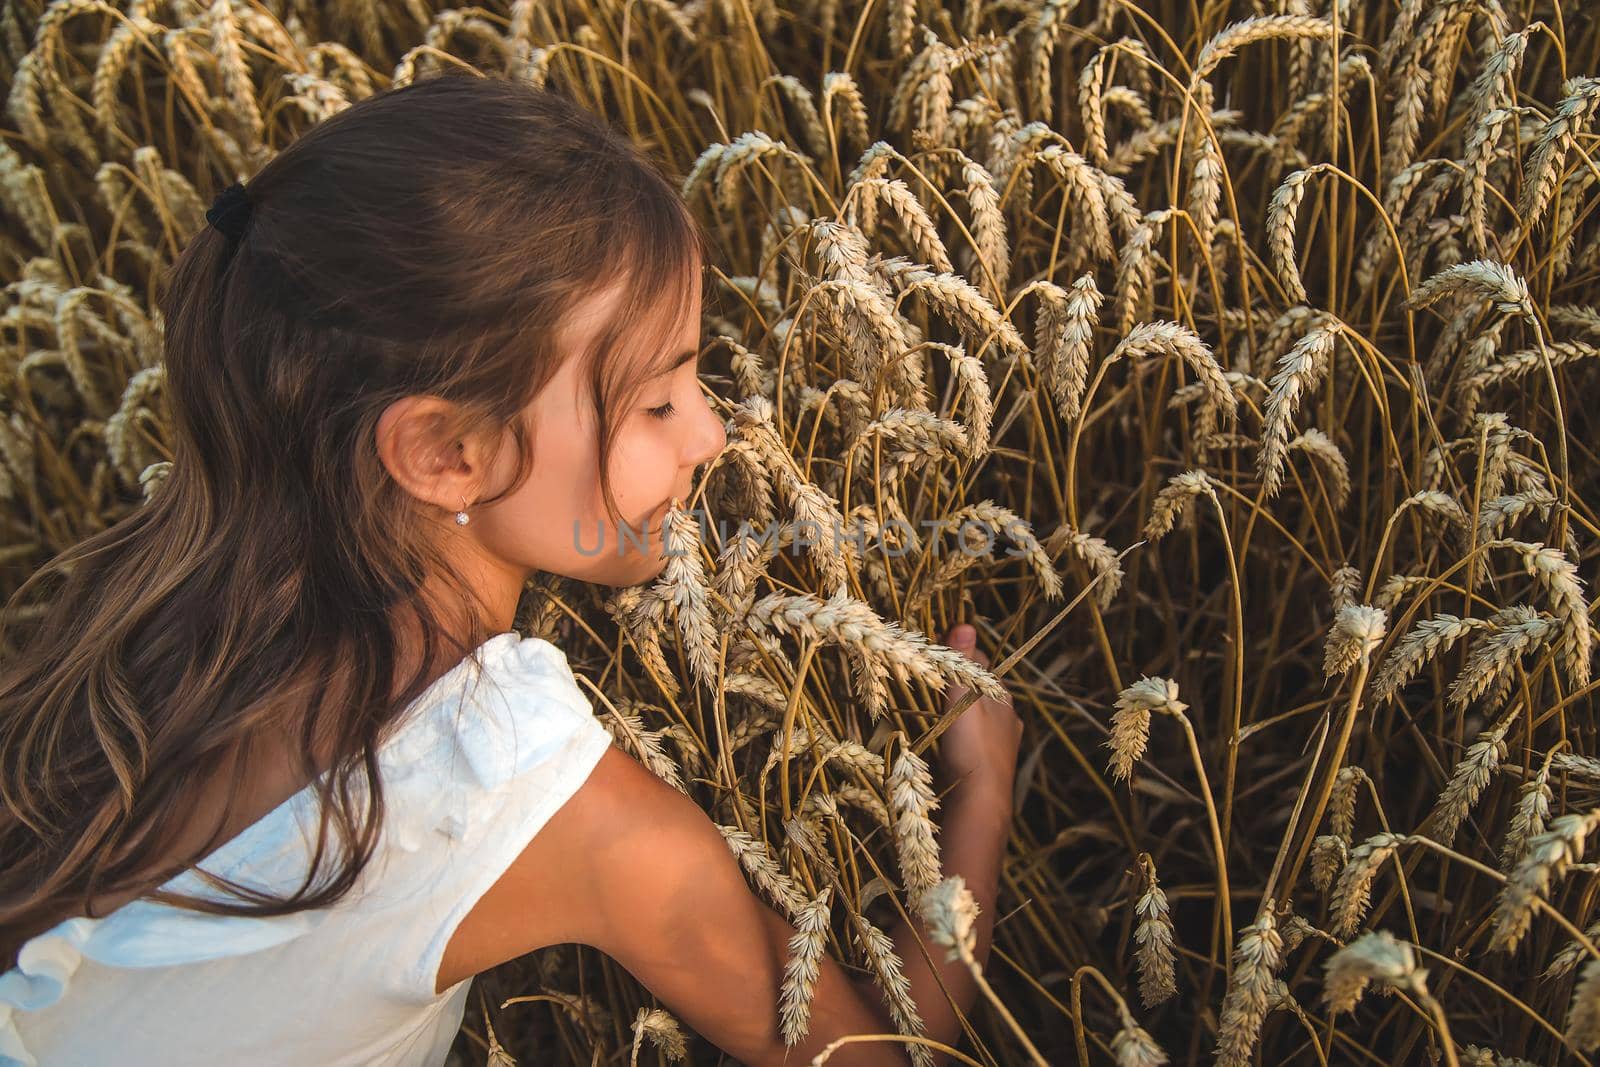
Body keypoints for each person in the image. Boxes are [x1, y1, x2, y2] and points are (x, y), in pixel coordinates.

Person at [0, 72, 1021, 1066]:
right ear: (446, 452)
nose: (713, 433)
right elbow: (869, 1053)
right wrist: (978, 803)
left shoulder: (160, 603)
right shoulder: (521, 791)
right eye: (659, 401)